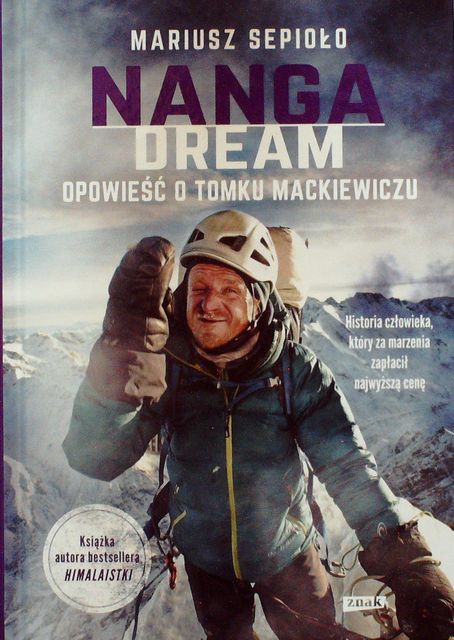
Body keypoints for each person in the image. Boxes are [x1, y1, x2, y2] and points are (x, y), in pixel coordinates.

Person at [63, 210, 454, 640]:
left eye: (229, 289)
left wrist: (411, 563)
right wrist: (121, 358)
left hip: (287, 551)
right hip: (208, 561)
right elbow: (95, 457)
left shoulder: (294, 370)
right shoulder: (167, 367)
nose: (209, 304)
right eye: (200, 287)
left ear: (259, 300)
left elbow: (348, 468)